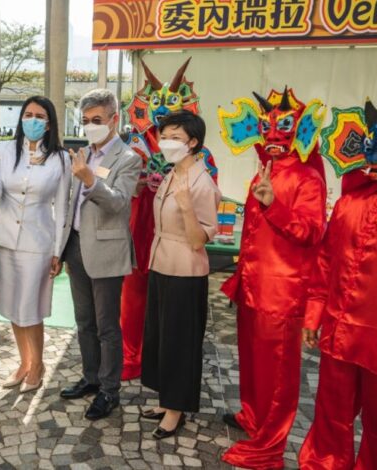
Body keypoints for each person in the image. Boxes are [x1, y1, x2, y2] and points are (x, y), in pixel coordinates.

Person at [218, 88, 327, 468]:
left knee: (278, 373)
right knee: (251, 361)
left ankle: (269, 446)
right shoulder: (265, 172)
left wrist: (273, 206)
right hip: (253, 286)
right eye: (269, 128)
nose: (274, 136)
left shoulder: (308, 177)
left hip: (282, 293)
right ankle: (253, 416)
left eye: (284, 127)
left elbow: (312, 232)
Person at [299, 101, 377, 468]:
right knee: (330, 417)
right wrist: (313, 314)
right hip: (338, 335)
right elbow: (325, 263)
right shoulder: (348, 204)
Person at [119, 58, 218, 381]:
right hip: (142, 230)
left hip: (181, 248)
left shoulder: (199, 161)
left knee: (174, 318)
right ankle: (133, 356)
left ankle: (168, 380)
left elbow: (207, 212)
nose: (162, 112)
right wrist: (137, 183)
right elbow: (121, 185)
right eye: (157, 103)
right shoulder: (135, 145)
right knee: (135, 299)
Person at [0, 96, 70, 393]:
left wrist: (59, 250)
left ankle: (38, 364)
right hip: (4, 241)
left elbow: (62, 208)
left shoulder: (61, 158)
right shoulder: (4, 150)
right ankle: (24, 361)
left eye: (39, 116)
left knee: (31, 308)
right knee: (14, 307)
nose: (32, 120)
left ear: (49, 123)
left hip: (38, 243)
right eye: (27, 114)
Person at [57, 88, 141, 420]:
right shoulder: (83, 154)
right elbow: (69, 204)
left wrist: (91, 181)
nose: (91, 126)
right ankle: (90, 378)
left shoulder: (129, 158)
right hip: (76, 245)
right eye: (86, 121)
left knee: (107, 326)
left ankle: (109, 390)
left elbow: (120, 202)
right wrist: (60, 248)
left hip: (106, 249)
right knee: (84, 321)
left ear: (114, 119)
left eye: (97, 120)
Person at [141, 110, 220, 439]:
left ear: (193, 142)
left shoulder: (201, 182)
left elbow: (200, 239)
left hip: (185, 271)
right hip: (161, 264)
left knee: (179, 342)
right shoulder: (174, 172)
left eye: (175, 137)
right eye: (164, 136)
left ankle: (176, 409)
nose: (167, 143)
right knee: (160, 337)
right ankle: (165, 397)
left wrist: (187, 207)